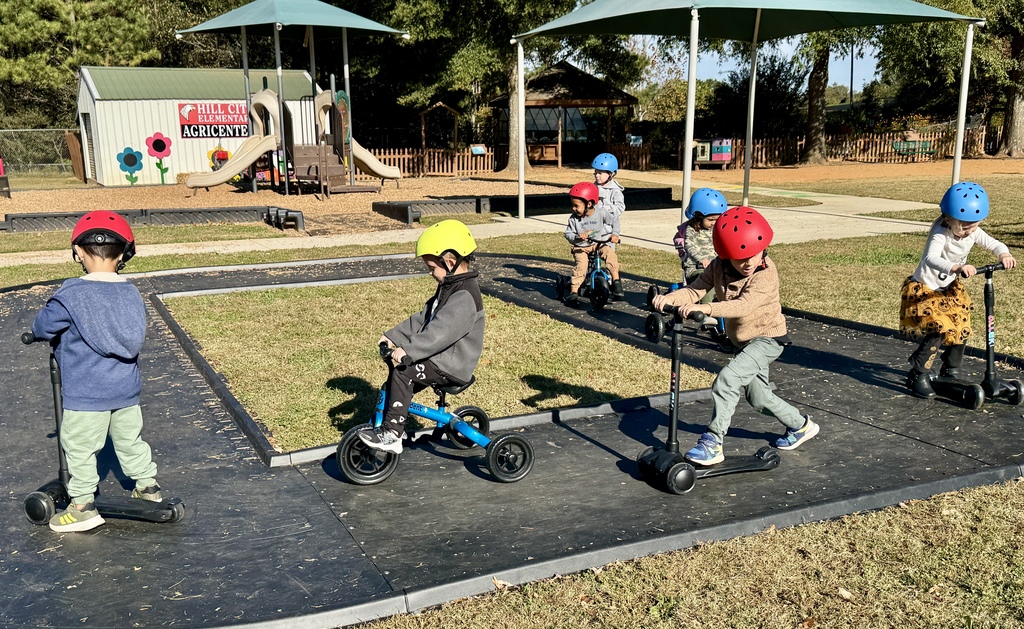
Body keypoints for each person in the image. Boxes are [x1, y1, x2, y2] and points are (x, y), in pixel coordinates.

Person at [652, 206, 819, 466]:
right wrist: (668, 298)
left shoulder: (765, 273)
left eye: (754, 254)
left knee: (727, 380)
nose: (749, 263)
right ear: (725, 255)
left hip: (768, 339)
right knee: (759, 397)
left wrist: (706, 308)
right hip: (743, 341)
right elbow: (695, 290)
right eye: (740, 259)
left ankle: (713, 442)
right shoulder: (719, 266)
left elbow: (743, 306)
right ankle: (801, 426)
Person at [31, 211, 162, 532]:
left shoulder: (71, 295)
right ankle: (148, 487)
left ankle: (83, 507)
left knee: (79, 447)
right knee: (130, 441)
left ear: (78, 252)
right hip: (126, 391)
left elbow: (44, 326)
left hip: (87, 394)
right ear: (125, 254)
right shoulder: (131, 293)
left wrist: (35, 332)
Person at [358, 219, 486, 454]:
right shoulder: (450, 287)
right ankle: (392, 420)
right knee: (398, 380)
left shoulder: (464, 296)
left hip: (452, 365)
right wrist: (393, 336)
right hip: (440, 358)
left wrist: (409, 351)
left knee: (403, 372)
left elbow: (440, 332)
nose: (429, 272)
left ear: (449, 262)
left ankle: (392, 435)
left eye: (431, 267)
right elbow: (424, 317)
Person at [900, 181, 1016, 398]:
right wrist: (956, 267)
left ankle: (950, 369)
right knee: (939, 329)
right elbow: (930, 258)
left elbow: (994, 244)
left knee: (961, 325)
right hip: (926, 289)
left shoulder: (973, 231)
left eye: (973, 226)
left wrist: (1004, 255)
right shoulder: (940, 233)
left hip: (948, 289)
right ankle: (918, 373)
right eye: (963, 226)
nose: (969, 231)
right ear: (948, 219)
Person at [563, 182, 622, 307]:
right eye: (573, 205)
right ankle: (574, 292)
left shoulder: (601, 213)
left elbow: (615, 220)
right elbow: (568, 234)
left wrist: (615, 234)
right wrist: (578, 238)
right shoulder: (573, 219)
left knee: (610, 254)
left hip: (598, 243)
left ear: (589, 204)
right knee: (581, 266)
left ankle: (616, 281)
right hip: (581, 247)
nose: (573, 208)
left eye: (576, 206)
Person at [674, 187, 728, 304]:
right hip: (696, 268)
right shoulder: (691, 230)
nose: (714, 223)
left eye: (717, 219)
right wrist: (701, 259)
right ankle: (707, 312)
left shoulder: (716, 229)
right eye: (710, 219)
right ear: (698, 216)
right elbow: (689, 246)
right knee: (706, 284)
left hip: (716, 268)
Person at [592, 153, 626, 298]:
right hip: (593, 229)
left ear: (611, 174)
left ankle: (615, 282)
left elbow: (620, 207)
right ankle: (590, 279)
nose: (597, 176)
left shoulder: (615, 190)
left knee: (610, 257)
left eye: (600, 173)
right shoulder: (593, 187)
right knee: (590, 256)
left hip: (607, 231)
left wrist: (607, 209)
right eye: (595, 172)